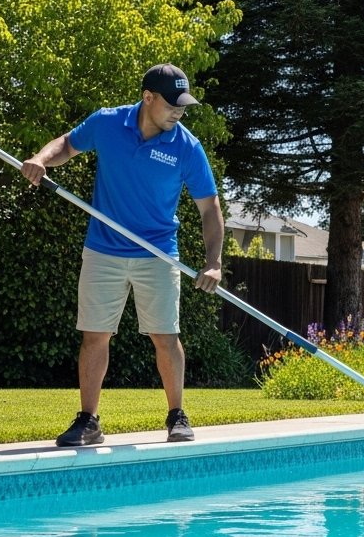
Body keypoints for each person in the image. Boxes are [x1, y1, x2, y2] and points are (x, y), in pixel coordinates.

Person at [21, 63, 224, 447]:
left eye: (183, 105)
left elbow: (210, 209)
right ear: (148, 97)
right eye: (172, 104)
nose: (179, 112)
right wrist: (41, 159)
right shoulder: (109, 123)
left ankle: (177, 415)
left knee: (166, 336)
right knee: (95, 335)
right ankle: (88, 421)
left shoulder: (186, 146)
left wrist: (213, 263)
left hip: (158, 254)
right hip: (104, 249)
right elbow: (67, 144)